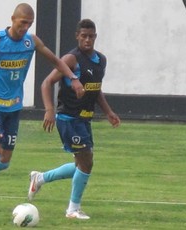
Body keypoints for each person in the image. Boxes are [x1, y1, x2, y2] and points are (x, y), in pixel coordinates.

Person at [0, 3, 84, 225]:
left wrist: (72, 78)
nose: (25, 27)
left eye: (29, 24)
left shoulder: (30, 42)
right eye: (22, 22)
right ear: (12, 19)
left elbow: (55, 60)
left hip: (13, 107)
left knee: (4, 162)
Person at [28, 19, 121, 220]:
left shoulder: (101, 60)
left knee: (82, 164)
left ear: (95, 37)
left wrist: (108, 112)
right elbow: (47, 83)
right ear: (77, 36)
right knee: (86, 162)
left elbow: (96, 90)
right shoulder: (71, 59)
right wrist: (49, 110)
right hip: (69, 118)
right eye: (84, 36)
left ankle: (40, 178)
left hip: (84, 119)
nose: (87, 40)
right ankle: (72, 209)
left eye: (91, 36)